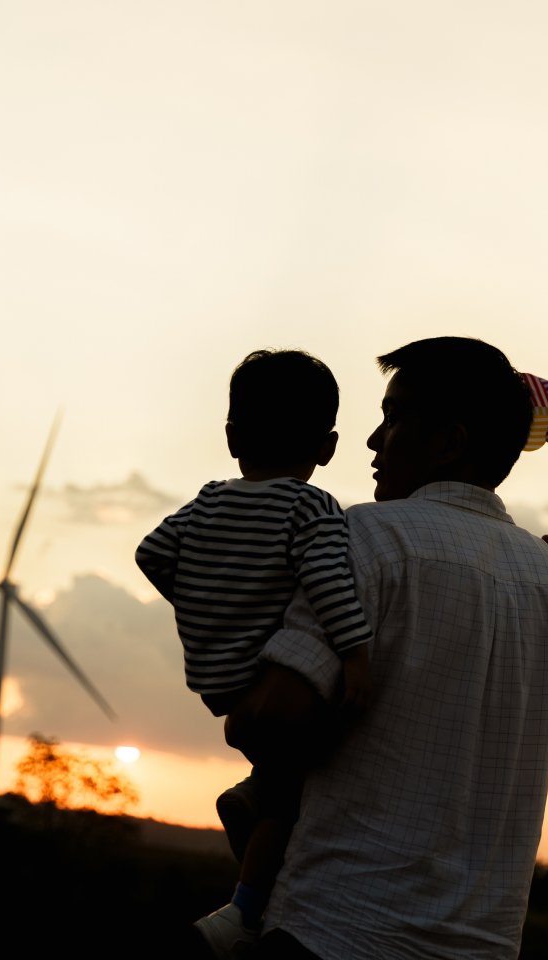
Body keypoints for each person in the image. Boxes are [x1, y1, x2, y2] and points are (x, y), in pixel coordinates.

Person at [226, 336, 548, 960]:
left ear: (451, 441)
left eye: (394, 416)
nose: (372, 440)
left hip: (331, 932)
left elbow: (273, 717)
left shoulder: (359, 538)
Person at [134, 349, 373, 957]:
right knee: (293, 790)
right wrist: (354, 654)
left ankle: (253, 791)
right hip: (269, 673)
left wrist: (204, 601)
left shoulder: (210, 499)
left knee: (278, 768)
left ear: (233, 437)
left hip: (217, 675)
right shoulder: (310, 508)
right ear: (328, 446)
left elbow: (151, 553)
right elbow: (326, 584)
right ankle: (243, 909)